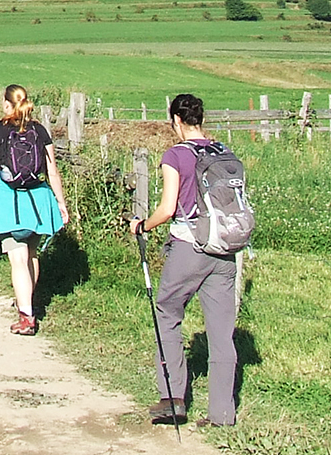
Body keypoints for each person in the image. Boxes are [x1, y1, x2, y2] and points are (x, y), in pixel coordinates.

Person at [128, 93, 238, 429]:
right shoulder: (225, 152)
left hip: (190, 246)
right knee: (221, 333)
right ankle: (222, 414)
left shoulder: (176, 155)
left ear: (176, 120)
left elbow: (168, 208)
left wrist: (141, 226)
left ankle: (173, 398)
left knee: (167, 312)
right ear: (201, 119)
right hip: (226, 249)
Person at [0, 84, 68, 335]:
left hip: (7, 200)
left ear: (6, 105)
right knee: (32, 255)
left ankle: (26, 316)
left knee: (17, 258)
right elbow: (52, 171)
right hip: (38, 199)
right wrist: (61, 203)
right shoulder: (39, 130)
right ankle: (26, 301)